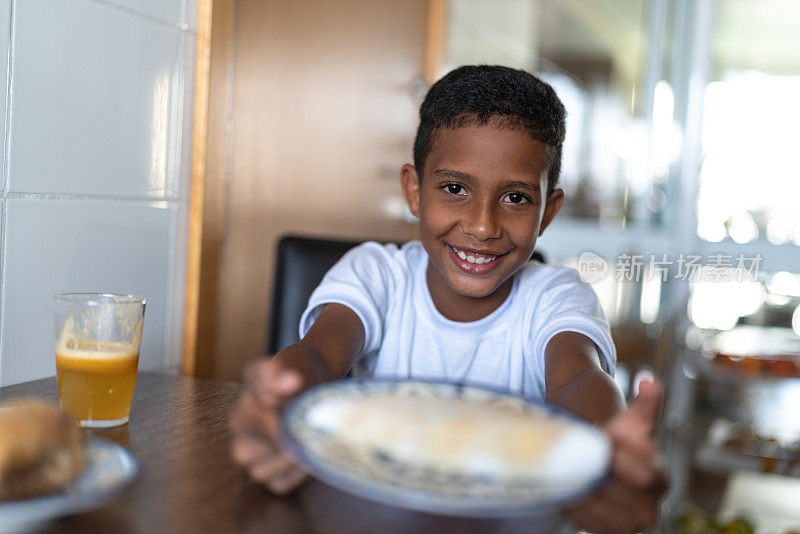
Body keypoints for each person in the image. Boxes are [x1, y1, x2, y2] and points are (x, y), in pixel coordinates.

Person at [230, 65, 666, 533]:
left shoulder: (557, 296)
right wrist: (281, 398)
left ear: (548, 213)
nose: (482, 225)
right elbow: (318, 353)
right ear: (414, 192)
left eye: (516, 198)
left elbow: (579, 377)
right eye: (455, 189)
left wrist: (605, 447)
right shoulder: (377, 274)